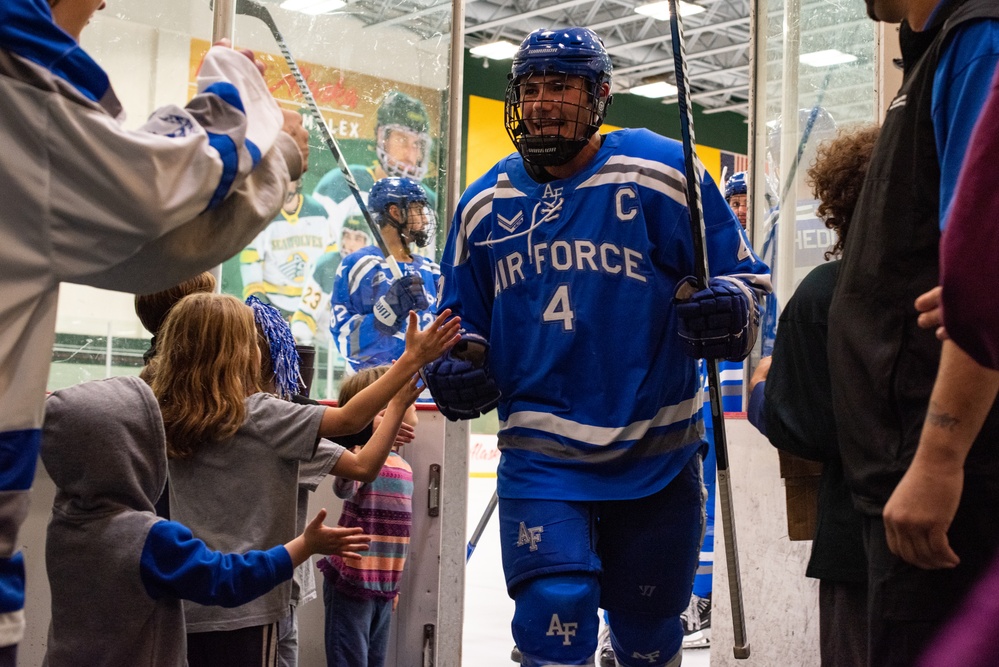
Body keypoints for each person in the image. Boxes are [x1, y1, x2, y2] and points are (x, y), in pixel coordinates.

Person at [426, 27, 771, 666]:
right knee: (554, 604)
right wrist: (452, 364)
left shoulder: (662, 172)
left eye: (560, 85)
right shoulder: (483, 204)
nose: (541, 102)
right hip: (541, 455)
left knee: (647, 636)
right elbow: (456, 323)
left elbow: (745, 280)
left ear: (600, 95)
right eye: (529, 88)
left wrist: (730, 307)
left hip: (657, 449)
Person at [0, 0, 310, 656]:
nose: (106, 2)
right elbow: (153, 199)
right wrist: (247, 108)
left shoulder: (76, 518)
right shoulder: (15, 52)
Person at [826, 0, 999, 663]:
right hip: (896, 474)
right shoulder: (931, 50)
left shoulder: (978, 39)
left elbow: (984, 280)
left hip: (947, 484)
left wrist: (938, 458)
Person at [149, 293, 454, 666]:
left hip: (186, 597)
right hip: (251, 602)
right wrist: (410, 361)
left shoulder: (163, 417)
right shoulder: (261, 414)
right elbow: (349, 425)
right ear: (243, 353)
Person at [40, 375, 371, 667]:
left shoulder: (65, 524)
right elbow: (227, 580)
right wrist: (303, 546)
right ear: (133, 452)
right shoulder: (147, 538)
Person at [748, 125, 880, 666]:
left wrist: (761, 387)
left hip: (858, 537)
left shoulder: (826, 291)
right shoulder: (960, 288)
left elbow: (803, 426)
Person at [319, 366, 417, 667]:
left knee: (375, 659)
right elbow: (344, 487)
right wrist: (359, 446)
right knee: (348, 658)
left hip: (384, 586)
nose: (395, 418)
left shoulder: (404, 466)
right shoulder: (361, 458)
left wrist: (394, 588)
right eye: (383, 412)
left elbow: (397, 539)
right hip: (352, 579)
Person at [331, 177, 440, 373]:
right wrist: (384, 316)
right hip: (379, 394)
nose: (424, 219)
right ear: (395, 212)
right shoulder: (360, 265)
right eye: (418, 210)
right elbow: (344, 339)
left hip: (429, 396)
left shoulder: (433, 272)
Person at [241, 180, 338, 320]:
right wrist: (257, 299)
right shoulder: (263, 214)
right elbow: (251, 258)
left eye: (290, 179)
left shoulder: (319, 212)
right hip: (273, 304)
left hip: (311, 306)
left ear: (298, 181)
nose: (285, 184)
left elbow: (330, 257)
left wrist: (329, 294)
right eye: (281, 179)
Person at [290, 211, 372, 346]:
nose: (350, 243)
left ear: (367, 242)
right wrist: (300, 339)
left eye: (357, 238)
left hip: (364, 353)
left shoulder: (377, 270)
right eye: (347, 236)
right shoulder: (326, 265)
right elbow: (306, 314)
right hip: (326, 349)